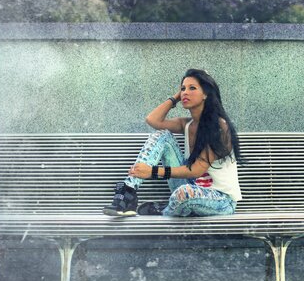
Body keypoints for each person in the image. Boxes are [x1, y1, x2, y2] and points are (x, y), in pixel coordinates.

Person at [102, 69, 243, 217]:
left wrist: (152, 172)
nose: (185, 92)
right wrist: (177, 97)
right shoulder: (187, 124)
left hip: (220, 200)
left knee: (183, 194)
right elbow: (153, 120)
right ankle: (128, 193)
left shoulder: (219, 126)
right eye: (183, 88)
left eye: (192, 88)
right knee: (163, 135)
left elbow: (196, 170)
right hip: (192, 187)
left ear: (206, 94)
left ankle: (165, 211)